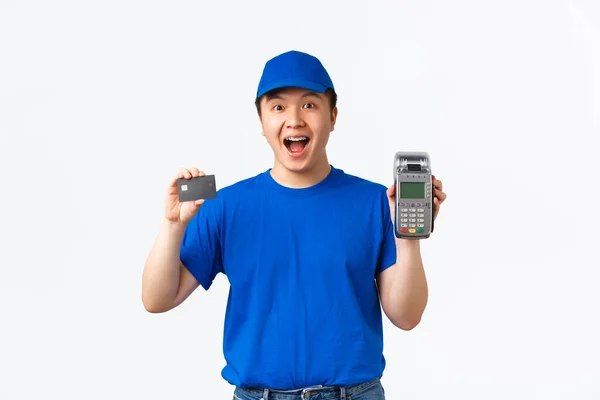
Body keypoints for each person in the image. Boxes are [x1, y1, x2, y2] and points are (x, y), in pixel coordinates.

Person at [142, 50, 447, 400]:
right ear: (260, 122)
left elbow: (407, 317)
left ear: (333, 117)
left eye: (309, 105)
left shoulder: (378, 202)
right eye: (277, 107)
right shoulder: (224, 206)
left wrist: (408, 238)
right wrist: (171, 225)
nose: (294, 120)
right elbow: (156, 299)